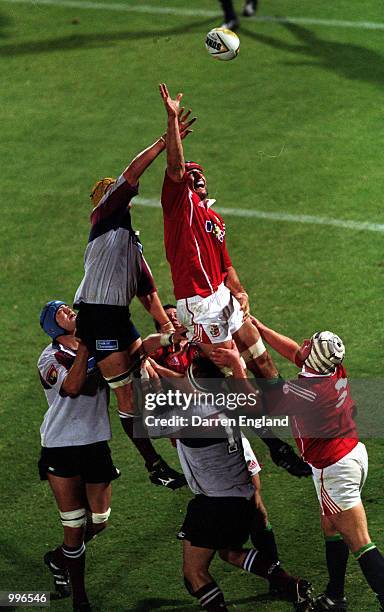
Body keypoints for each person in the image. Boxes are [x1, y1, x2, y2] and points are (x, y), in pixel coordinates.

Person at [210, 325, 384, 611]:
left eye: (310, 343)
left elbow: (253, 405)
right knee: (330, 527)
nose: (304, 342)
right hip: (352, 453)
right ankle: (335, 597)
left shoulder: (306, 392)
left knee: (361, 543)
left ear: (314, 358)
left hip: (335, 469)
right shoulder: (332, 370)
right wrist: (257, 327)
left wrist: (237, 366)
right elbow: (294, 351)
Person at [73, 117, 193, 488]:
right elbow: (130, 172)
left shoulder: (128, 239)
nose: (122, 189)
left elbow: (146, 288)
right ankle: (153, 465)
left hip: (116, 316)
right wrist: (163, 140)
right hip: (96, 316)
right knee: (126, 389)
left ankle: (184, 442)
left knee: (148, 374)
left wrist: (167, 326)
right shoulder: (104, 213)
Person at [168, 357, 313, 612]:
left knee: (194, 574)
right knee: (230, 553)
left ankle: (287, 585)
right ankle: (291, 586)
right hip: (240, 497)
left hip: (214, 502)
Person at [158, 83, 278, 386]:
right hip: (198, 304)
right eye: (191, 175)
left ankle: (291, 416)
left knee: (260, 358)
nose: (196, 177)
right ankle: (264, 433)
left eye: (200, 174)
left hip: (223, 296)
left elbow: (226, 266)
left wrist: (239, 292)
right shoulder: (178, 207)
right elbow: (175, 167)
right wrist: (172, 122)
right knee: (232, 377)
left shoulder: (214, 219)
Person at [150, 304, 312, 478]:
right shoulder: (161, 352)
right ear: (161, 327)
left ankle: (277, 446)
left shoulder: (200, 341)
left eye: (176, 314)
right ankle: (277, 447)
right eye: (168, 317)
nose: (174, 317)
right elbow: (148, 359)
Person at [38, 300, 121, 612]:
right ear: (53, 327)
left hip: (95, 443)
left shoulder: (97, 344)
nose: (67, 309)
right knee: (73, 525)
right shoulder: (50, 357)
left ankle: (58, 559)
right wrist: (88, 345)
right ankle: (80, 599)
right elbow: (74, 387)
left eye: (66, 306)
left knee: (99, 520)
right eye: (59, 311)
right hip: (61, 446)